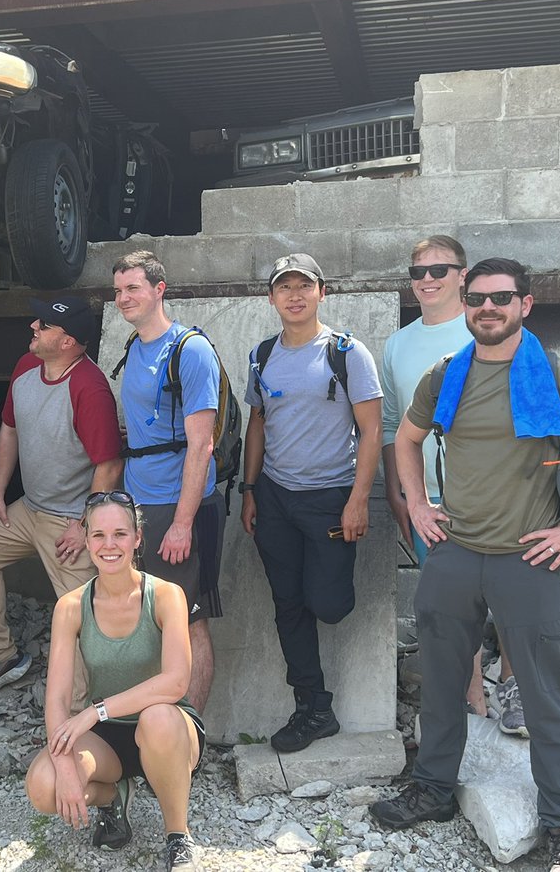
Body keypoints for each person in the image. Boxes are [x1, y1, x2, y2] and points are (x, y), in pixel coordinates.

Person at [369, 258, 560, 872]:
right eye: (477, 299)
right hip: (454, 554)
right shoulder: (446, 377)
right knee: (442, 686)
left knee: (545, 696)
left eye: (500, 299)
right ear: (465, 305)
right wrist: (416, 502)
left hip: (529, 559)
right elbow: (406, 441)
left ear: (526, 304)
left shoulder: (556, 375)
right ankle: (434, 791)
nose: (486, 309)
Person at [240, 254, 382, 753]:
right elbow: (257, 424)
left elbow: (370, 431)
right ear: (272, 298)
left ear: (323, 292)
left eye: (305, 285)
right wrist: (250, 489)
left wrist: (359, 500)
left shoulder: (347, 353)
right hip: (275, 498)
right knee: (288, 605)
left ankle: (315, 692)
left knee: (329, 604)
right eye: (284, 287)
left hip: (330, 499)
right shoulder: (261, 355)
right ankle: (313, 709)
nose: (294, 295)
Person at [380, 237, 522, 730]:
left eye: (439, 269)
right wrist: (399, 494)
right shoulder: (398, 344)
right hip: (431, 504)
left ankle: (512, 688)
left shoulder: (487, 331)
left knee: (509, 600)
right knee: (452, 609)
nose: (427, 279)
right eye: (418, 271)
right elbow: (392, 427)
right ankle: (472, 702)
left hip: (498, 498)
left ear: (463, 276)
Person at [24, 490, 204, 872]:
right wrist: (68, 771)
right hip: (108, 736)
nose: (109, 545)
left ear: (138, 539)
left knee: (157, 716)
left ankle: (178, 835)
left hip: (168, 728)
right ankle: (113, 798)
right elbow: (56, 700)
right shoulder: (71, 606)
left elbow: (175, 682)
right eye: (99, 535)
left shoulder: (167, 595)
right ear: (86, 540)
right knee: (43, 786)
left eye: (120, 534)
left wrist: (94, 711)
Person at [0, 296, 122, 704]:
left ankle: (82, 714)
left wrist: (86, 525)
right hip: (28, 509)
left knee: (78, 612)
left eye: (45, 325)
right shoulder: (26, 366)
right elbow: (9, 431)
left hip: (68, 520)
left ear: (68, 342)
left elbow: (110, 466)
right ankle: (1, 658)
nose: (33, 326)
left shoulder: (90, 387)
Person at [111, 250, 225, 713]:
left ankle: (190, 732)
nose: (123, 298)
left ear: (160, 290)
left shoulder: (190, 350)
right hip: (141, 502)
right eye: (117, 290)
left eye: (132, 288)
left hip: (178, 506)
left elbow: (202, 445)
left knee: (188, 621)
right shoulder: (134, 346)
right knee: (154, 618)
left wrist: (182, 523)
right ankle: (156, 726)